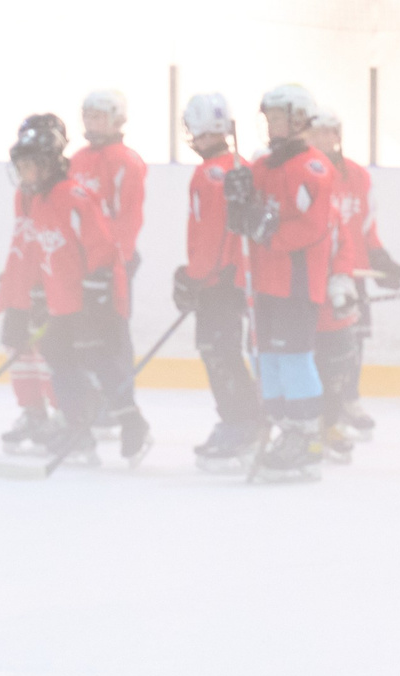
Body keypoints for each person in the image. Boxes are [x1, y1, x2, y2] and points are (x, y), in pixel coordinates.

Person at [0, 114, 134, 467]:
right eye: (21, 167)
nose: (25, 175)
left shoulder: (72, 196)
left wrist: (96, 294)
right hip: (62, 302)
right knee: (59, 357)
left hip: (90, 301)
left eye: (31, 167)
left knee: (98, 361)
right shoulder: (35, 198)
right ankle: (76, 430)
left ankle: (131, 424)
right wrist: (31, 293)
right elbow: (39, 249)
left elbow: (100, 248)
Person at [225, 83, 336, 477]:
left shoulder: (313, 168)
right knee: (265, 360)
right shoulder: (262, 168)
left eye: (278, 118)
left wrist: (264, 228)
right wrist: (237, 204)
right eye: (268, 118)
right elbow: (245, 225)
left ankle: (307, 438)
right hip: (263, 283)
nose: (271, 125)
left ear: (300, 120)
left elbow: (310, 228)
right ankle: (282, 427)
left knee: (293, 358)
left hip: (296, 280)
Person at [305, 106, 400, 458]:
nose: (324, 139)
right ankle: (320, 410)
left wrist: (379, 258)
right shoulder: (307, 173)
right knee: (320, 346)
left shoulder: (358, 177)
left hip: (352, 275)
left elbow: (366, 227)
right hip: (317, 274)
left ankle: (348, 399)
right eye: (317, 132)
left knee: (352, 343)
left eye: (331, 132)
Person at [173, 92, 262, 470]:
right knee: (222, 353)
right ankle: (243, 422)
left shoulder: (209, 174)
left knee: (219, 354)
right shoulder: (233, 167)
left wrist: (193, 278)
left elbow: (211, 236)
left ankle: (241, 424)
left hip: (218, 284)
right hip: (231, 280)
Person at [65, 89, 152, 464]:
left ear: (118, 120)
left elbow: (128, 218)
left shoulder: (126, 162)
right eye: (88, 115)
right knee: (82, 336)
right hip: (79, 264)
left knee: (113, 334)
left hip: (111, 264)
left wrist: (113, 263)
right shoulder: (77, 160)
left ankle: (118, 404)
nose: (92, 122)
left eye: (100, 116)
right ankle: (94, 401)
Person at [0, 113, 70, 455]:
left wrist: (45, 288)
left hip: (47, 291)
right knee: (18, 349)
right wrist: (9, 281)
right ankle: (33, 412)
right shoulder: (23, 194)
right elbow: (22, 241)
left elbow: (57, 247)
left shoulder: (59, 194)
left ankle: (62, 415)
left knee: (46, 356)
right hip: (20, 289)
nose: (27, 170)